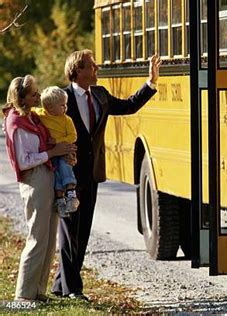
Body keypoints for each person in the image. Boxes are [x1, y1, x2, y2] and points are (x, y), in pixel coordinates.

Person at [52, 49, 162, 300]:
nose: (97, 69)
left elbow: (129, 106)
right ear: (78, 70)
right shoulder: (62, 98)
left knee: (83, 231)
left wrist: (151, 82)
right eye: (92, 66)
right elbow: (46, 128)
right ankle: (73, 290)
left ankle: (61, 286)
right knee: (69, 231)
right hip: (67, 175)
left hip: (92, 175)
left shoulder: (100, 95)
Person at [3, 75, 76, 302]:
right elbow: (24, 161)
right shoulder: (17, 122)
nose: (38, 95)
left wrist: (64, 152)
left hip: (48, 174)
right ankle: (24, 296)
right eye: (34, 93)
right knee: (37, 236)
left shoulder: (33, 117)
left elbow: (50, 141)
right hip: (34, 179)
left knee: (49, 237)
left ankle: (38, 291)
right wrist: (53, 153)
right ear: (22, 97)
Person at [34, 86, 79, 217]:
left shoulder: (67, 120)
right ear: (49, 107)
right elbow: (24, 111)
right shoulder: (40, 114)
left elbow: (73, 136)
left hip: (64, 151)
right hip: (51, 153)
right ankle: (60, 201)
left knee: (65, 168)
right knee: (56, 176)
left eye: (66, 104)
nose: (65, 107)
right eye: (62, 105)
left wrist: (58, 140)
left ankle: (71, 194)